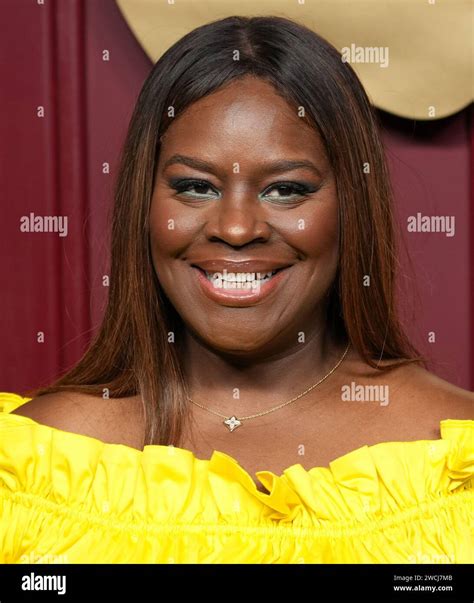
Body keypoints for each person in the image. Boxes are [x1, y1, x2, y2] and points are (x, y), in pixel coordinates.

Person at [0, 15, 472, 564]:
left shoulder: (454, 466)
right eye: (195, 186)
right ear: (145, 207)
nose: (237, 228)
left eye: (286, 189)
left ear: (352, 209)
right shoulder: (29, 470)